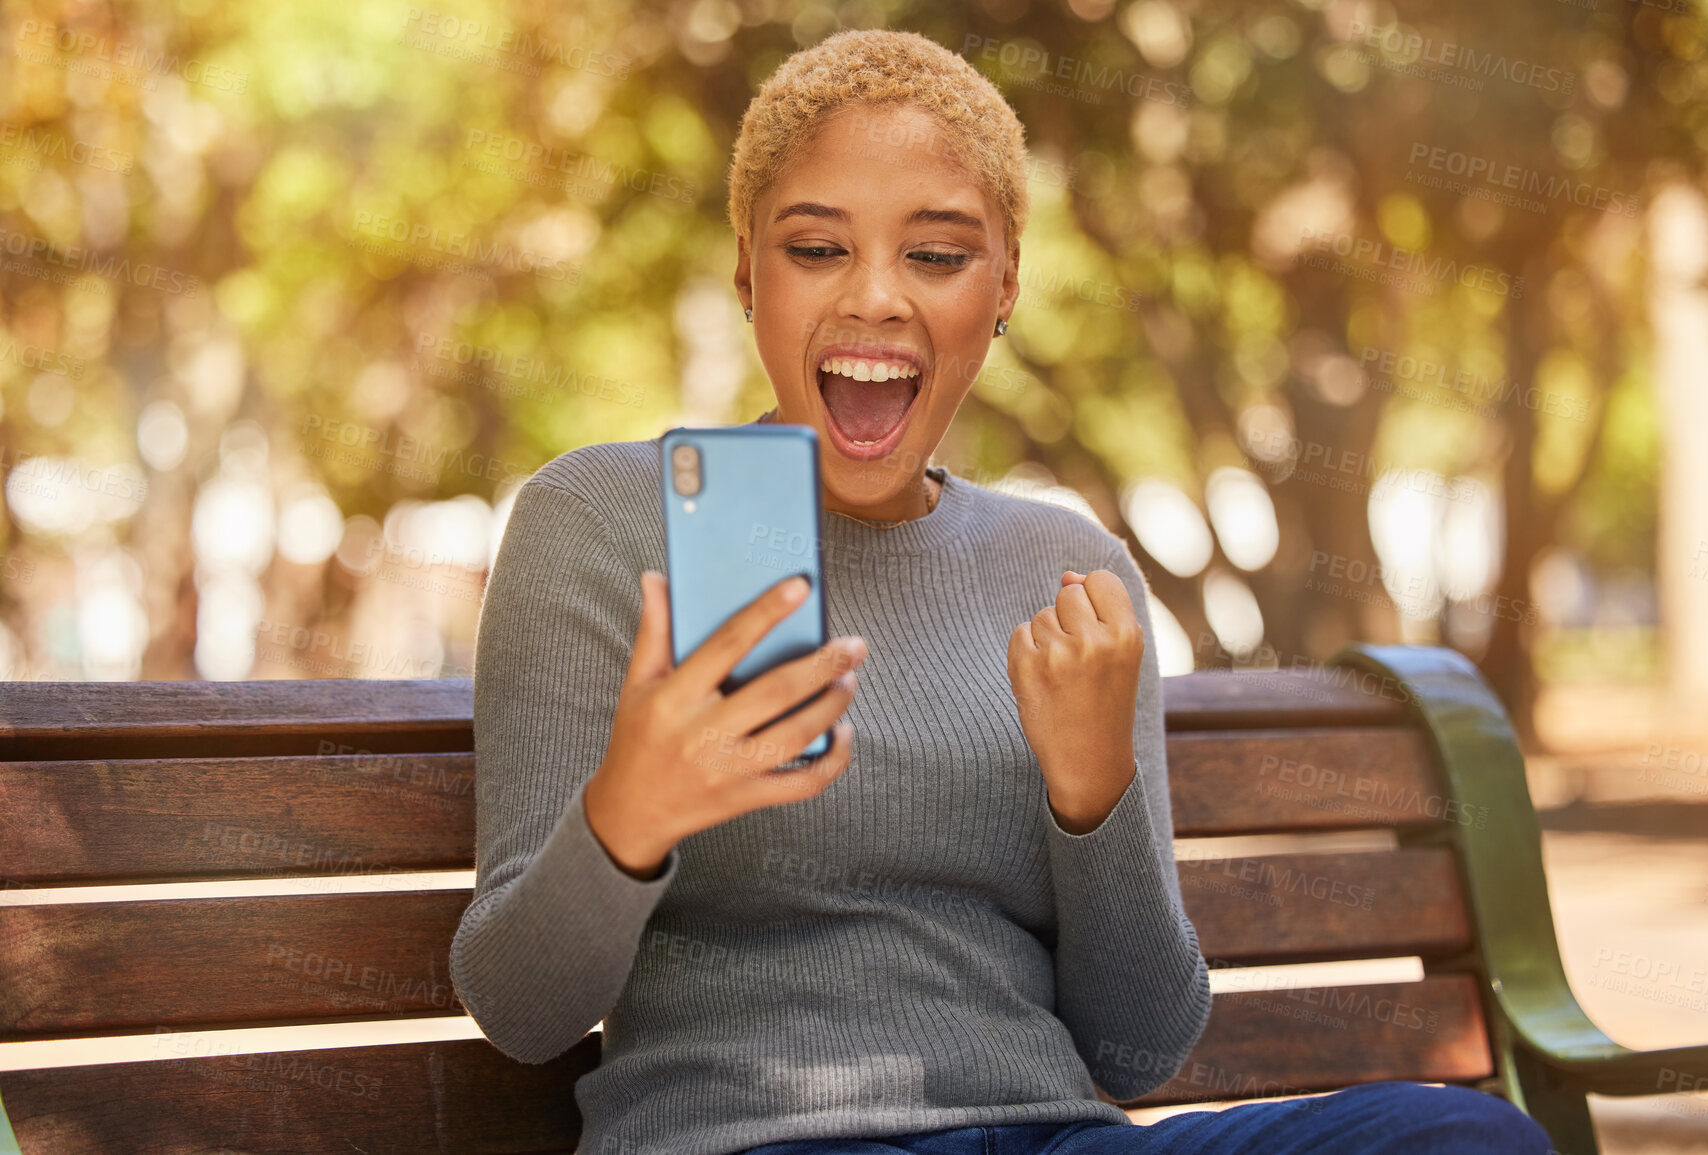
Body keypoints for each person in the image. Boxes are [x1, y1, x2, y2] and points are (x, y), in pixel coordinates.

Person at [449, 27, 1556, 1155]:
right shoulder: (599, 522)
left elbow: (1138, 1052)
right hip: (748, 1141)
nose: (876, 299)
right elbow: (521, 1009)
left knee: (1464, 1138)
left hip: (1055, 1136)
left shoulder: (1066, 573)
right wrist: (630, 816)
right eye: (817, 249)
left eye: (936, 256)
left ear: (1006, 284)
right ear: (747, 271)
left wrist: (1095, 799)